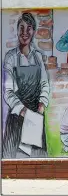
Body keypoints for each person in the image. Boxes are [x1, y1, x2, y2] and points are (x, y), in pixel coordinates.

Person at [2, 12, 50, 158]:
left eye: (29, 28)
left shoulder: (38, 57)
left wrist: (41, 105)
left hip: (35, 116)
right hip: (17, 116)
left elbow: (44, 84)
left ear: (33, 31)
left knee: (38, 161)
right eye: (21, 28)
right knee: (12, 160)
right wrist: (23, 111)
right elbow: (8, 91)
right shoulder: (10, 58)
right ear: (17, 31)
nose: (25, 32)